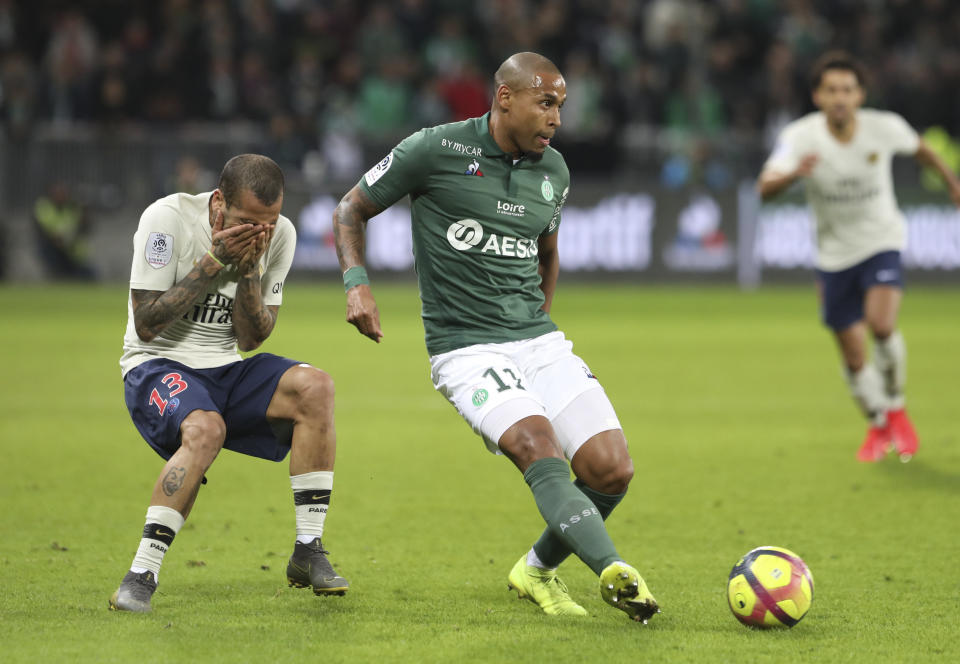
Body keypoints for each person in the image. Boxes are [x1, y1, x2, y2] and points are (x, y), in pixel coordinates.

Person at [331, 52, 658, 623]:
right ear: (505, 98)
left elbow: (547, 254)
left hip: (538, 340)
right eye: (546, 102)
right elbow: (349, 210)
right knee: (539, 447)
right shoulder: (433, 149)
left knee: (612, 470)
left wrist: (541, 331)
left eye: (561, 105)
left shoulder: (554, 172)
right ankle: (613, 570)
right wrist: (357, 284)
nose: (556, 118)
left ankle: (534, 570)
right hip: (466, 347)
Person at [110, 154, 348, 612]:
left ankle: (307, 549)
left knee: (316, 387)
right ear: (218, 204)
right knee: (206, 429)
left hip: (225, 365)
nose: (259, 233)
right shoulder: (168, 219)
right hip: (157, 364)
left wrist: (251, 271)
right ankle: (141, 574)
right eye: (246, 222)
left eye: (269, 222)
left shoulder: (281, 235)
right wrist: (213, 262)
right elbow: (146, 324)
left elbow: (251, 337)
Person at [757, 51, 960, 463]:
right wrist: (796, 174)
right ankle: (877, 423)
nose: (840, 98)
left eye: (847, 90)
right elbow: (764, 187)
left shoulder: (884, 128)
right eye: (831, 90)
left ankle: (897, 407)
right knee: (852, 355)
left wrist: (952, 184)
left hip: (881, 241)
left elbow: (923, 150)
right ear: (817, 96)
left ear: (860, 95)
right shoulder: (801, 137)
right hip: (833, 257)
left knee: (882, 325)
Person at [32, 180, 96, 280]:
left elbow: (86, 228)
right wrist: (55, 239)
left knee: (89, 272)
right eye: (58, 192)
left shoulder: (73, 207)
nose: (61, 195)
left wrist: (85, 214)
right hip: (51, 247)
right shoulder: (44, 207)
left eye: (63, 192)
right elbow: (40, 229)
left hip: (71, 249)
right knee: (58, 267)